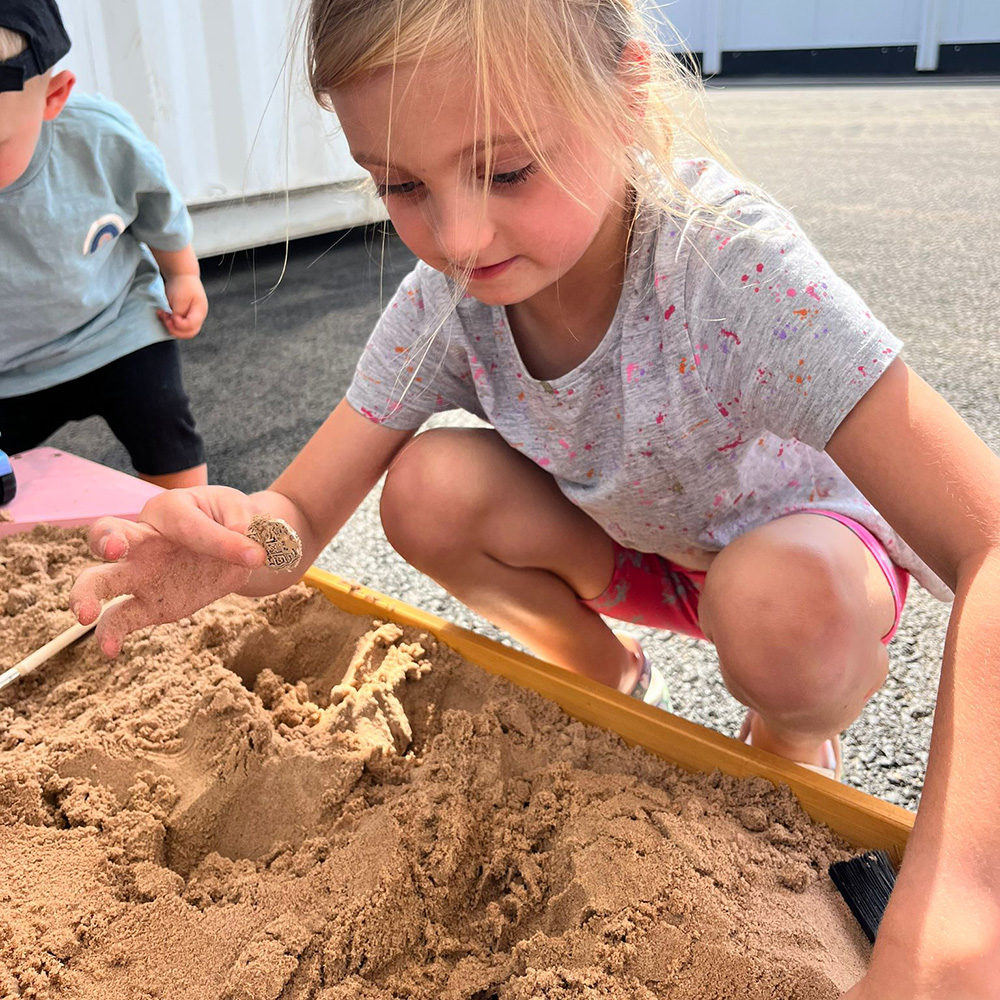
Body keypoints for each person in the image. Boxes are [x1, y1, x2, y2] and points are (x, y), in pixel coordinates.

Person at [70, 0, 998, 993]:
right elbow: (298, 520)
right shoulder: (446, 306)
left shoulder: (729, 265)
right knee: (424, 488)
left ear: (627, 94)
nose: (459, 235)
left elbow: (986, 542)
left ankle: (791, 733)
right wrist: (241, 549)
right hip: (638, 550)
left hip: (803, 567)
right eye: (401, 186)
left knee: (776, 606)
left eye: (507, 170)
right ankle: (602, 669)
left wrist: (958, 903)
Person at [0, 0, 208, 489]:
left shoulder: (98, 137)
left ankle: (189, 529)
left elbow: (157, 208)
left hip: (115, 328)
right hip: (9, 370)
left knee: (165, 430)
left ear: (54, 97)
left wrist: (182, 274)